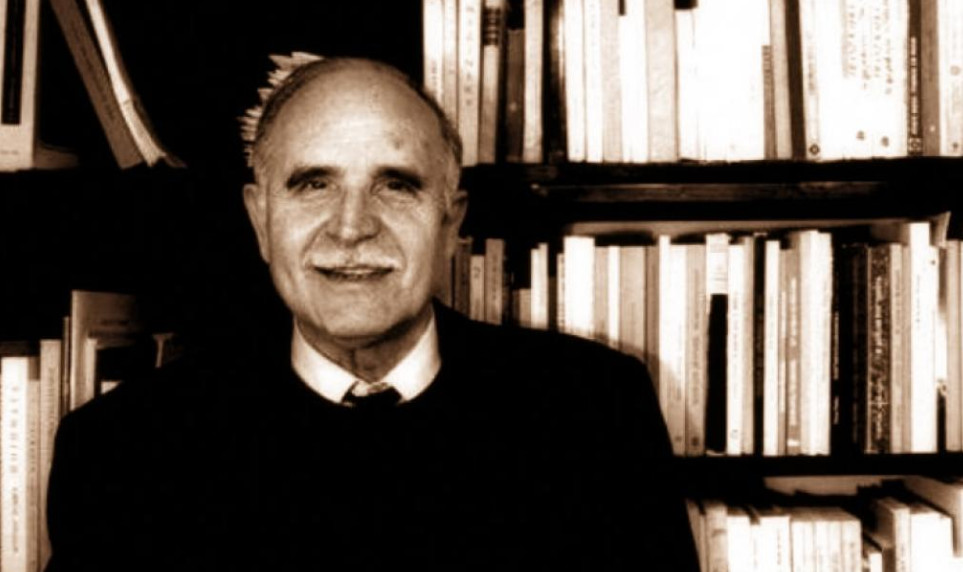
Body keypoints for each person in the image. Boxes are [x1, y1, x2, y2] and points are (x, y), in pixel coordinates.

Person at [45, 57, 699, 571]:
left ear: (450, 223)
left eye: (395, 185)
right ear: (260, 220)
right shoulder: (125, 451)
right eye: (313, 184)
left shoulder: (592, 411)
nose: (352, 227)